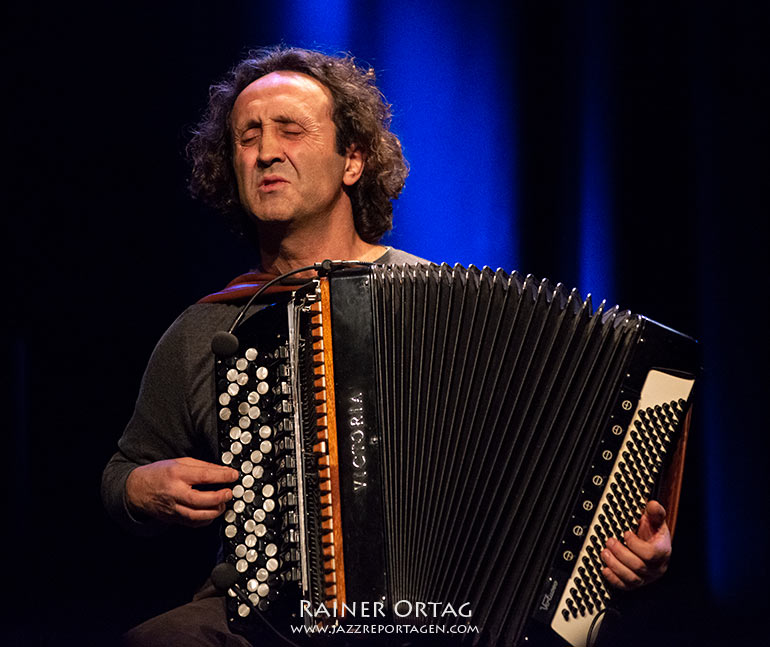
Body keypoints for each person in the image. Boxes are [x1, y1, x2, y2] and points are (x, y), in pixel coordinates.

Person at [102, 46, 673, 646]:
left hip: (448, 618)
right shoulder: (206, 328)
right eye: (246, 137)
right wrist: (143, 489)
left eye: (290, 130)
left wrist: (630, 542)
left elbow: (565, 461)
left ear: (353, 160)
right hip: (271, 622)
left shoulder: (449, 305)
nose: (266, 151)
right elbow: (123, 473)